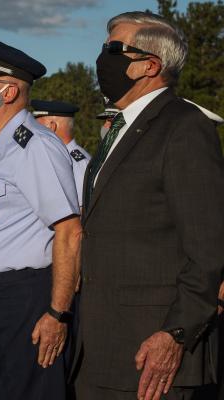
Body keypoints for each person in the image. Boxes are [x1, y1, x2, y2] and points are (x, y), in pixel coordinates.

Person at [75, 11, 224, 400]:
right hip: (101, 347)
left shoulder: (183, 127)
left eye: (113, 49)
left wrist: (176, 333)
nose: (101, 57)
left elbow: (208, 248)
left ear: (150, 65)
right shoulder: (121, 129)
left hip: (152, 352)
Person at [0, 33, 81, 400]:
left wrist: (57, 314)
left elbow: (69, 231)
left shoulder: (34, 146)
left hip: (26, 299)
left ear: (8, 92)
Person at [32, 100, 90, 209]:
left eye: (37, 125)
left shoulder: (77, 163)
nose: (34, 131)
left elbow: (82, 211)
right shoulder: (56, 156)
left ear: (51, 126)